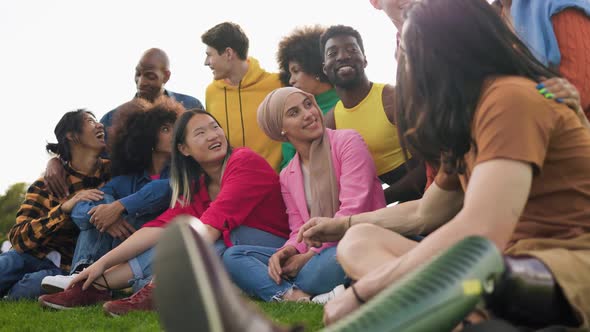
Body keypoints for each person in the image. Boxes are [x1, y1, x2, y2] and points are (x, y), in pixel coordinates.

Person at [297, 0, 590, 328]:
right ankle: (465, 316)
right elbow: (426, 212)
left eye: (405, 51)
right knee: (360, 241)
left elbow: (482, 229)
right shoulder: (466, 117)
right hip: (494, 264)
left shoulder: (509, 99)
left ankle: (468, 314)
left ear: (443, 52)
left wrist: (361, 293)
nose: (399, 61)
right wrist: (344, 225)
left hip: (560, 266)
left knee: (483, 277)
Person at [38, 109, 290, 315]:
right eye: (200, 133)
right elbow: (159, 227)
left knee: (222, 236)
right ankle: (94, 285)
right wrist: (101, 264)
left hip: (272, 248)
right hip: (236, 256)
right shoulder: (197, 185)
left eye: (215, 127)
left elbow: (211, 228)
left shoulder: (243, 161)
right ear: (184, 149)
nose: (214, 135)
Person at [221, 87, 385, 304]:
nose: (308, 114)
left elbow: (353, 211)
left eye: (308, 105)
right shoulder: (287, 175)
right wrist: (287, 251)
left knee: (314, 271)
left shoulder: (348, 142)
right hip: (319, 253)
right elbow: (299, 229)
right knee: (234, 256)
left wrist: (308, 256)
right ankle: (299, 297)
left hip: (356, 240)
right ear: (280, 129)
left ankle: (288, 289)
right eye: (294, 112)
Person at [40, 98, 184, 299]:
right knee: (101, 201)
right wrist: (106, 217)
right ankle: (81, 273)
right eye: (166, 129)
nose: (175, 134)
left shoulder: (183, 172)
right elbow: (80, 209)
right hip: (124, 249)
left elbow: (163, 189)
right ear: (148, 137)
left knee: (107, 205)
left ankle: (88, 282)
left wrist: (120, 206)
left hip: (159, 248)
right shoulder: (127, 179)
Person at [44, 48, 203, 200]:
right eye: (137, 74)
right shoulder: (112, 118)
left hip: (188, 191)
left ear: (166, 76)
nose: (141, 82)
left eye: (150, 76)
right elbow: (86, 154)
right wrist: (55, 161)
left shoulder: (190, 105)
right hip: (133, 201)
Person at [0, 110, 110, 300]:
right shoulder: (45, 185)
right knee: (7, 265)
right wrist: (64, 209)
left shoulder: (113, 173)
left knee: (27, 289)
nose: (100, 125)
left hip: (65, 268)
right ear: (71, 135)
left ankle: (9, 296)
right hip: (30, 256)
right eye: (90, 121)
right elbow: (18, 238)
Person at [320, 25, 426, 204]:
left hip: (432, 195)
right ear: (324, 68)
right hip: (397, 206)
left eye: (351, 49)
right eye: (332, 53)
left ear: (365, 60)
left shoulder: (393, 98)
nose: (343, 56)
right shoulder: (331, 121)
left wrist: (377, 200)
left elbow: (431, 165)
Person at [202, 22, 283, 171]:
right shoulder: (211, 92)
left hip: (277, 185)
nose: (206, 62)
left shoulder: (277, 84)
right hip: (233, 185)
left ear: (228, 53)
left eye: (209, 55)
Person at [494, 0, 590, 119]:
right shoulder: (488, 18)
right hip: (520, 122)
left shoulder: (557, 4)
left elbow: (579, 94)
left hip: (570, 127)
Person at [276, 25, 340, 169]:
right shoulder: (293, 107)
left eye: (296, 71)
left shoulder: (344, 104)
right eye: (289, 73)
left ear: (315, 67)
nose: (291, 80)